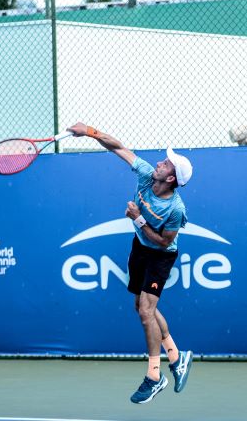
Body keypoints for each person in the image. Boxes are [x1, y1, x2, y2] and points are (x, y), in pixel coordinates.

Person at [67, 122, 194, 404]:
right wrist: (88, 131)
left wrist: (137, 218)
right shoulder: (148, 175)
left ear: (171, 178)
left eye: (166, 164)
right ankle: (177, 356)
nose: (160, 162)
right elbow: (118, 147)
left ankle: (154, 376)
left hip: (160, 255)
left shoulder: (175, 208)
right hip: (140, 248)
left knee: (146, 312)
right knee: (140, 306)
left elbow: (164, 241)